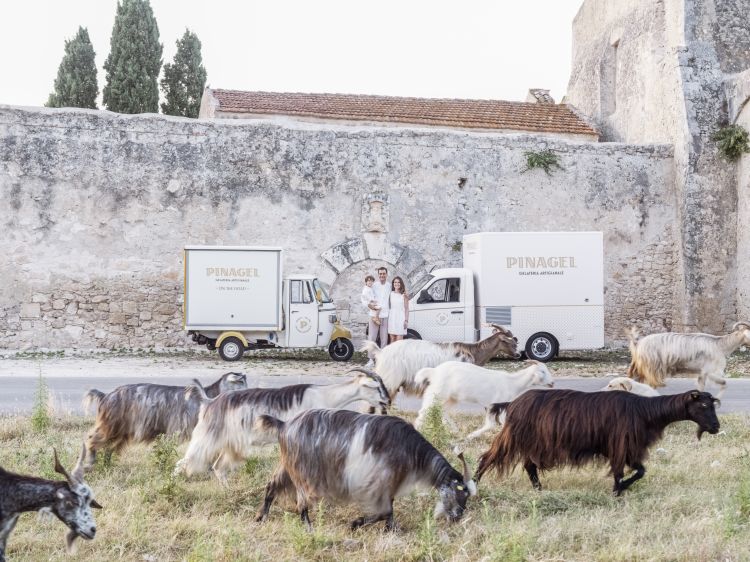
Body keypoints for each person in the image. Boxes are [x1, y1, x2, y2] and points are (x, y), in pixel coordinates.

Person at [365, 267, 391, 368]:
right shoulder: (373, 285)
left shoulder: (389, 286)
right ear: (378, 275)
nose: (382, 275)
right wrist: (369, 305)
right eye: (380, 274)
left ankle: (382, 360)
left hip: (385, 315)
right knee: (372, 337)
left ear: (386, 274)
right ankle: (371, 359)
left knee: (384, 338)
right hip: (374, 314)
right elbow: (366, 296)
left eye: (383, 274)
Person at [388, 276, 409, 343]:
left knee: (399, 342)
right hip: (392, 318)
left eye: (398, 282)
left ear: (401, 283)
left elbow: (407, 309)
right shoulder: (391, 294)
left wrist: (406, 320)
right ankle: (392, 354)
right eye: (395, 282)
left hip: (400, 319)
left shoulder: (404, 295)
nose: (396, 284)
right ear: (393, 284)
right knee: (392, 340)